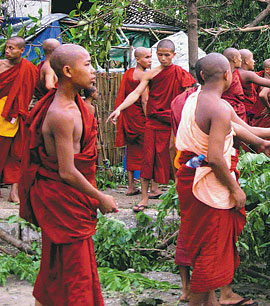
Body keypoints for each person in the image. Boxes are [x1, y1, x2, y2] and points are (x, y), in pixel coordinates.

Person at [19, 43, 119, 306]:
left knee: (55, 265)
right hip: (63, 198)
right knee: (77, 273)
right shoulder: (62, 113)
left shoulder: (74, 103)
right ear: (68, 71)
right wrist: (101, 197)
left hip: (65, 198)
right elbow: (66, 171)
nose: (93, 70)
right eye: (86, 64)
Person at [176, 53, 270, 306]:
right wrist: (235, 190)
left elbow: (236, 127)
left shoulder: (194, 98)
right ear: (227, 76)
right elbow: (216, 159)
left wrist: (260, 142)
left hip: (189, 176)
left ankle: (210, 302)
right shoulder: (219, 107)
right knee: (211, 251)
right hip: (209, 184)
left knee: (201, 244)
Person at [107, 39, 195, 212]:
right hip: (153, 122)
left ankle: (179, 198)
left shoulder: (180, 73)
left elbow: (188, 98)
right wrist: (119, 109)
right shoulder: (151, 74)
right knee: (148, 159)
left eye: (166, 55)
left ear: (173, 55)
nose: (162, 58)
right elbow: (136, 93)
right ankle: (144, 199)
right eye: (159, 55)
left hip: (171, 122)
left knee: (174, 157)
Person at [0, 36, 38, 203]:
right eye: (6, 48)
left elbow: (36, 90)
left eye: (12, 48)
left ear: (22, 50)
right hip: (1, 114)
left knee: (18, 153)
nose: (7, 51)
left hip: (17, 116)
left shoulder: (29, 69)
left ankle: (14, 192)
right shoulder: (0, 66)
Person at [114, 47, 152, 196]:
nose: (149, 60)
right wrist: (148, 118)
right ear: (137, 59)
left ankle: (131, 186)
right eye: (146, 57)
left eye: (150, 57)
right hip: (140, 119)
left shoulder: (129, 73)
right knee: (147, 152)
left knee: (131, 151)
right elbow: (144, 100)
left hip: (129, 117)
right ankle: (150, 187)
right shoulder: (144, 75)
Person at [223, 48, 270, 122]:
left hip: (230, 107)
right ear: (246, 61)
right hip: (240, 109)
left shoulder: (229, 73)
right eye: (252, 59)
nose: (254, 61)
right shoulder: (248, 74)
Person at [249, 59, 270, 138]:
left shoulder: (263, 81)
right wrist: (268, 107)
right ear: (267, 70)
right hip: (267, 117)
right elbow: (262, 95)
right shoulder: (268, 83)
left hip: (265, 117)